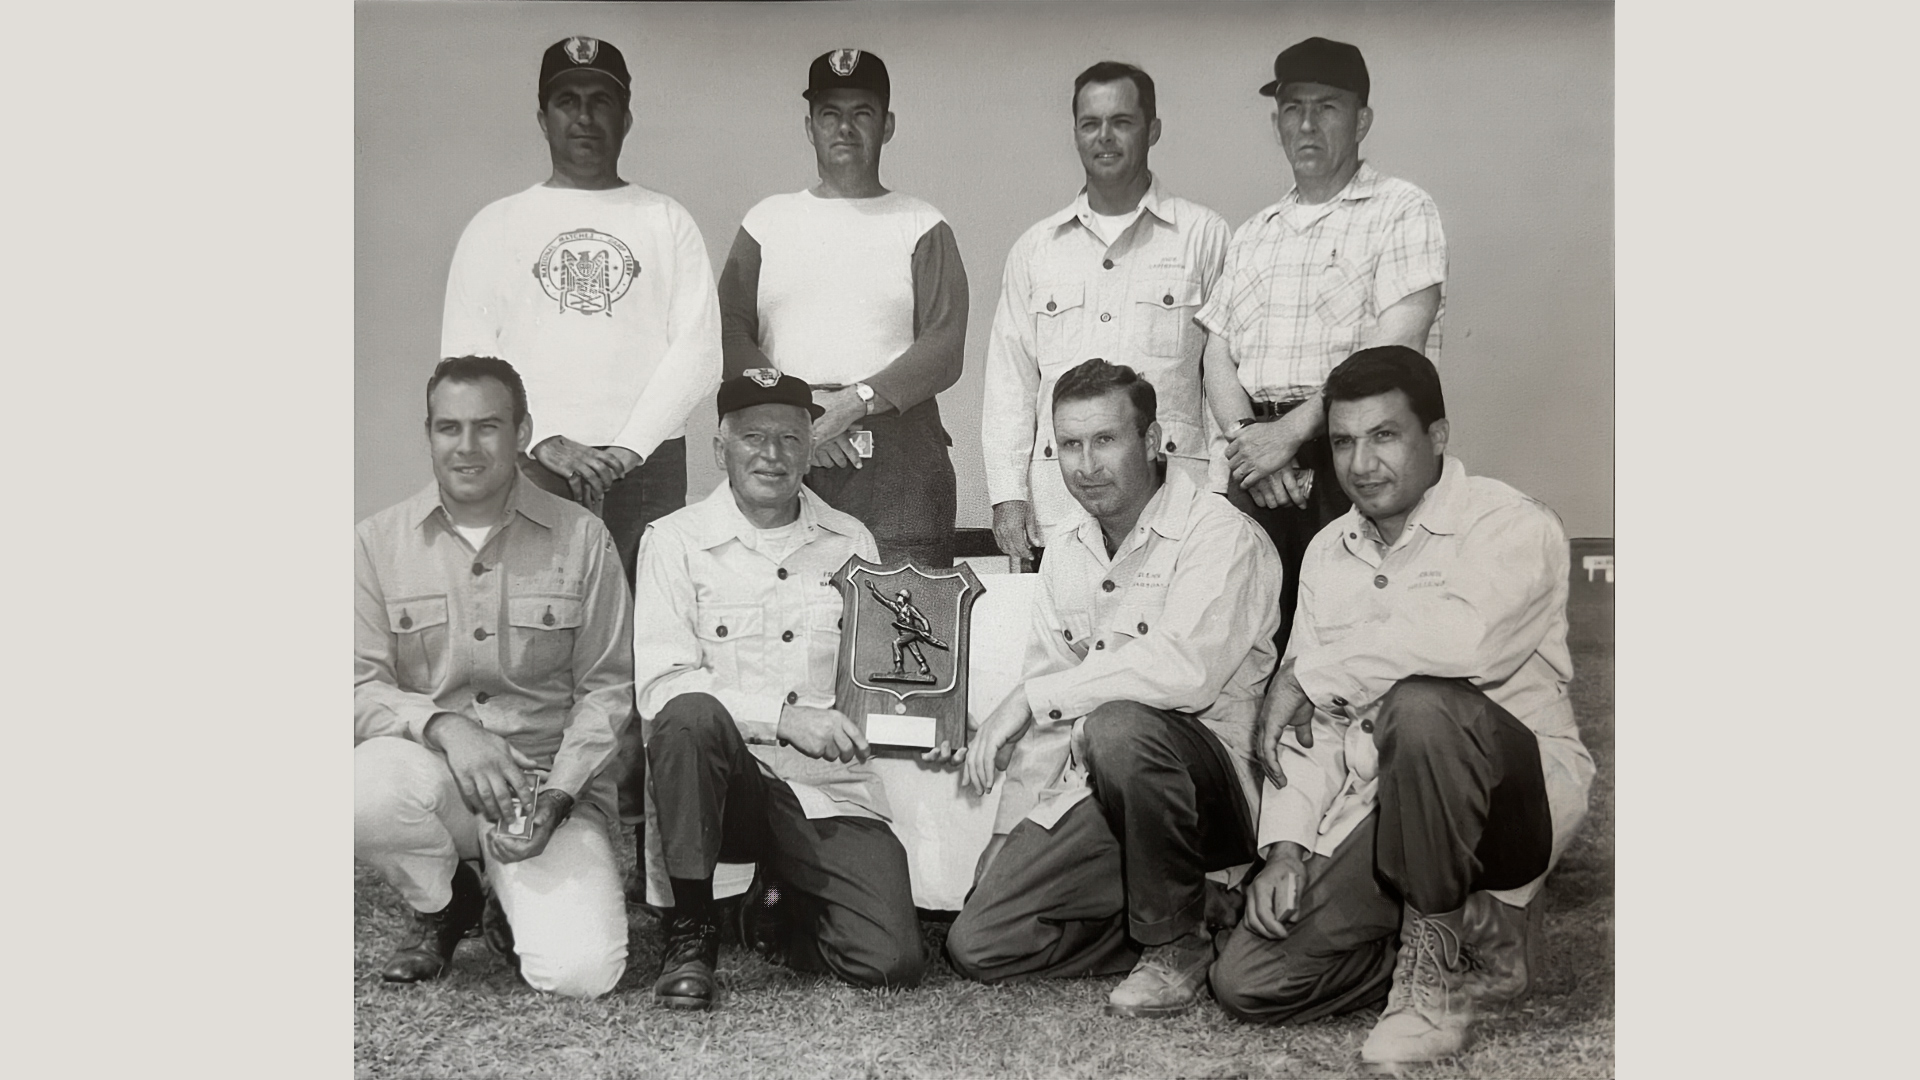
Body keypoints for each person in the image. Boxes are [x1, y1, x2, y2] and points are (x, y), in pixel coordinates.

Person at [1207, 347, 1595, 1065]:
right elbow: (1309, 724)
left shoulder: (1512, 523)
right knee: (1246, 982)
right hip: (1387, 810)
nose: (1361, 463)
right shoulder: (1329, 550)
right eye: (1345, 441)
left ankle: (1433, 982)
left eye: (1385, 436)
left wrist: (1314, 673)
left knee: (1422, 705)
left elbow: (1468, 642)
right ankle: (1479, 933)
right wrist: (1287, 848)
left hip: (1511, 807)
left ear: (1438, 437)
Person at [941, 359, 1283, 1019]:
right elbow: (1045, 715)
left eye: (1106, 440)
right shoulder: (1069, 550)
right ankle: (1200, 912)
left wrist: (1031, 699)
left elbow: (1185, 671)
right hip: (1105, 789)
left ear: (1153, 442)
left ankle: (1175, 944)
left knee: (1119, 723)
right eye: (1069, 444)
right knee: (981, 943)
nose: (1086, 464)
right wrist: (1010, 837)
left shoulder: (1220, 535)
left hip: (1211, 799)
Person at [633, 370, 925, 1011]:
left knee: (890, 961)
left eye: (791, 438)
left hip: (824, 785)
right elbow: (660, 686)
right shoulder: (673, 542)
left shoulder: (851, 541)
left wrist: (930, 721)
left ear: (811, 445)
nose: (772, 455)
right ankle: (693, 930)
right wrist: (784, 719)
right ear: (721, 448)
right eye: (754, 438)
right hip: (723, 788)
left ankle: (782, 904)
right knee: (687, 714)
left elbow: (880, 678)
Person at [354, 357, 634, 999]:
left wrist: (560, 798)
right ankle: (447, 900)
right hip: (437, 777)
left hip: (544, 790)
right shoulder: (376, 543)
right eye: (449, 428)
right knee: (362, 788)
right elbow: (355, 686)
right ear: (428, 434)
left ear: (522, 432)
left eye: (488, 427)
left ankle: (508, 899)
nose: (468, 447)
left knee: (580, 975)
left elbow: (608, 690)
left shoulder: (583, 538)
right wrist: (446, 726)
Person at [1195, 36, 1446, 653]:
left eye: (1327, 107)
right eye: (1292, 107)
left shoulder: (1401, 210)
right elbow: (1217, 353)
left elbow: (1395, 355)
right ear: (1277, 120)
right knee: (1251, 642)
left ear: (1361, 119)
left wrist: (1291, 435)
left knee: (1359, 641)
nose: (1307, 123)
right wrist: (1249, 443)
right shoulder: (1256, 233)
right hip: (1258, 462)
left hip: (1358, 452)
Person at [440, 35, 722, 582]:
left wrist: (628, 449)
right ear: (543, 119)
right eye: (568, 101)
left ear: (627, 117)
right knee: (528, 629)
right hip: (529, 460)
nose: (585, 116)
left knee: (644, 630)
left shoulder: (665, 218)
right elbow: (465, 359)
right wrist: (542, 436)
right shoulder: (495, 224)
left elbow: (700, 351)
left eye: (602, 100)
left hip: (646, 465)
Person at [718, 48, 968, 568]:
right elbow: (728, 330)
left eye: (863, 113)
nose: (845, 128)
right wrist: (804, 412)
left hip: (897, 459)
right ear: (809, 127)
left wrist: (853, 403)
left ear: (888, 124)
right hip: (788, 447)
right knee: (784, 612)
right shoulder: (768, 221)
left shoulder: (920, 222)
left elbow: (943, 346)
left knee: (899, 619)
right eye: (830, 114)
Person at [981, 62, 1229, 563]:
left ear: (1152, 129)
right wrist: (1008, 495)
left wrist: (1222, 491)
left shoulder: (1203, 235)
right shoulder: (1036, 249)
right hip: (1061, 505)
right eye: (1090, 123)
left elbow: (1223, 376)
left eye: (1122, 121)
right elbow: (1011, 382)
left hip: (1179, 500)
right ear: (1075, 133)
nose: (1105, 137)